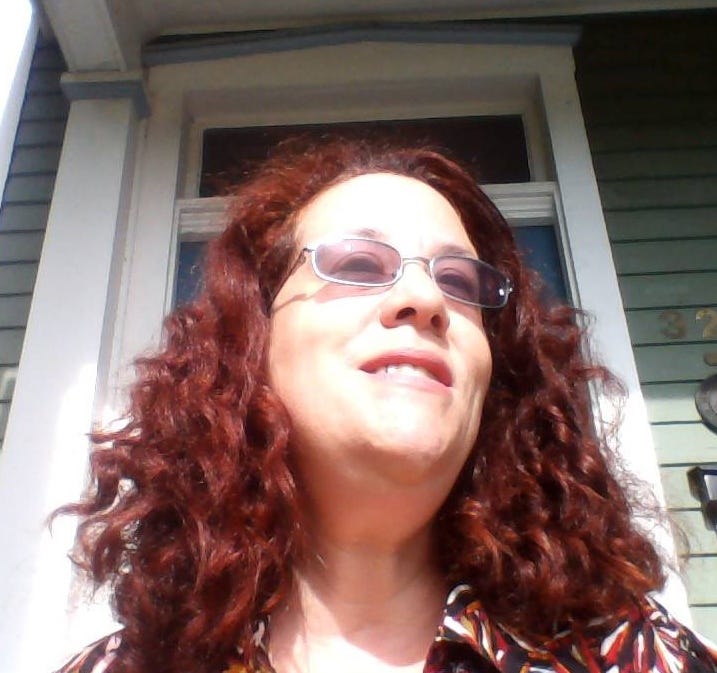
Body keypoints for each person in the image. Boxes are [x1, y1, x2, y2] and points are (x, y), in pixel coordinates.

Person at [55, 138, 717, 673]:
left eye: (459, 280)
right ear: (250, 343)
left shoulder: (643, 659)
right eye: (358, 264)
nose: (425, 299)